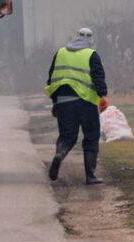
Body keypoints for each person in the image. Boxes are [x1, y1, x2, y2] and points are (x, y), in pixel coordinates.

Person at [44, 27, 109, 185]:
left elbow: (52, 78)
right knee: (91, 136)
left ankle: (60, 154)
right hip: (86, 102)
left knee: (67, 136)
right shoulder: (91, 54)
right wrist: (103, 95)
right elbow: (98, 76)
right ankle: (90, 176)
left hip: (64, 102)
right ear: (91, 39)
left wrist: (55, 102)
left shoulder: (60, 53)